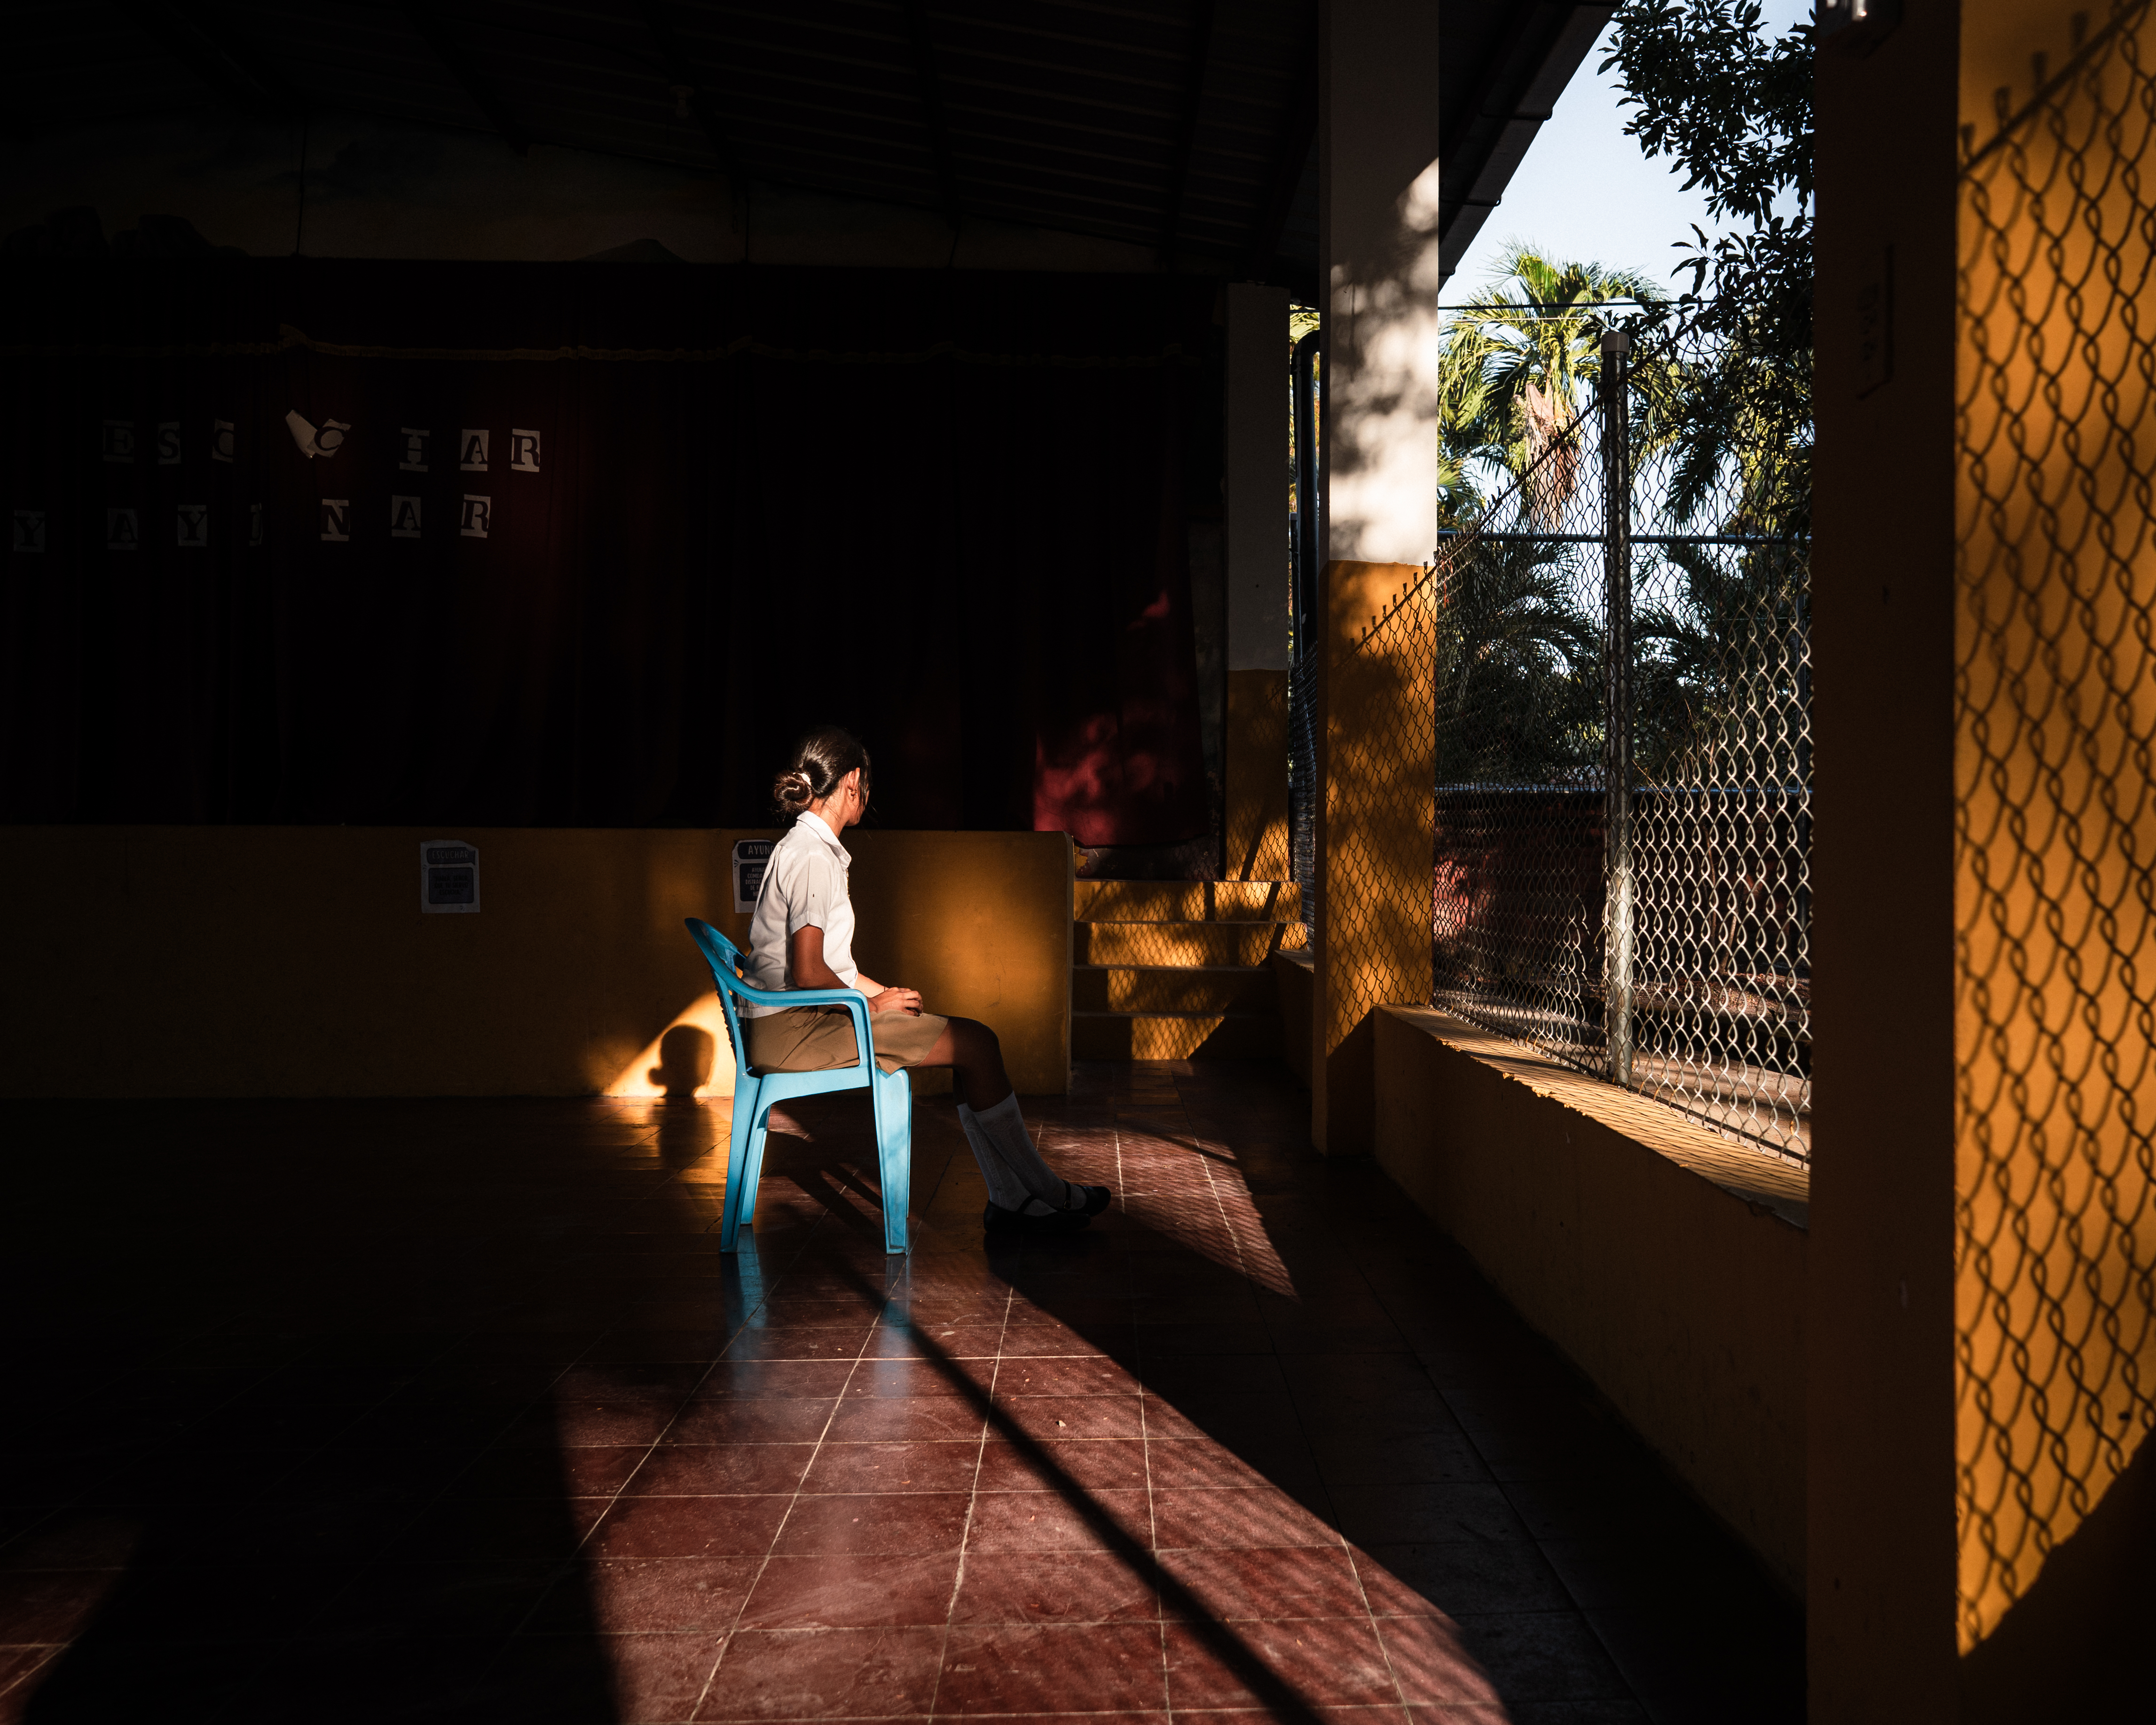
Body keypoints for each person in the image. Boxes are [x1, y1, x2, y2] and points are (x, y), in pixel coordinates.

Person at [742, 726, 1112, 1235]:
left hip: (791, 1021)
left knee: (964, 1042)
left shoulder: (805, 845)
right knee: (978, 1044)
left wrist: (878, 992)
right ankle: (1044, 1192)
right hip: (795, 1030)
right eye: (865, 785)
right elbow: (808, 971)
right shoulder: (811, 856)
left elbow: (828, 965)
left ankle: (1009, 1198)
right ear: (852, 781)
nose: (866, 797)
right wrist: (872, 1008)